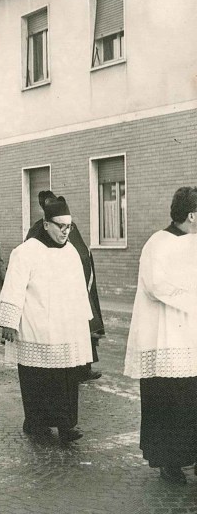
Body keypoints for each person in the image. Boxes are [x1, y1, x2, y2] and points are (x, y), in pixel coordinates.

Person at [0, 197, 92, 443]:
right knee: (37, 378)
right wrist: (9, 321)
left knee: (67, 380)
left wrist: (85, 321)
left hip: (65, 329)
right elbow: (13, 287)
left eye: (68, 227)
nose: (65, 232)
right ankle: (36, 422)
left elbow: (80, 290)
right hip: (35, 326)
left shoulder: (71, 251)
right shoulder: (26, 251)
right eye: (60, 226)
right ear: (45, 223)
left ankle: (66, 425)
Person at [123, 186, 197, 484]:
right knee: (169, 400)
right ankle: (170, 461)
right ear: (192, 215)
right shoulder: (158, 243)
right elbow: (155, 285)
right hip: (165, 336)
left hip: (190, 335)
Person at [27, 191, 105, 381]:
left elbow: (82, 251)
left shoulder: (72, 227)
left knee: (84, 328)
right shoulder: (39, 229)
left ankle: (85, 367)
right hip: (55, 292)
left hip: (78, 286)